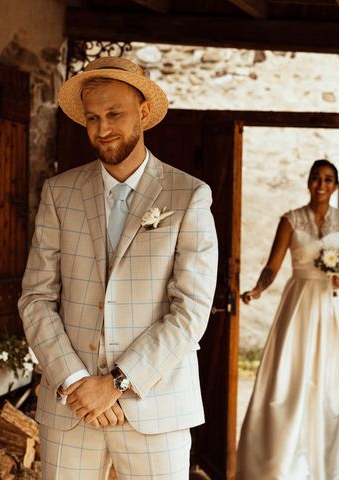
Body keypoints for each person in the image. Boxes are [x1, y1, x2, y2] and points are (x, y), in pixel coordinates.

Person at [18, 57, 218, 479]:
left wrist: (116, 384)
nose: (102, 128)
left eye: (114, 114)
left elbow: (190, 313)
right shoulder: (59, 193)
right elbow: (36, 299)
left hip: (154, 406)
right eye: (92, 118)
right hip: (71, 409)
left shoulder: (189, 196)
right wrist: (74, 380)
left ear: (143, 113)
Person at [236, 160, 339, 480]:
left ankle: (331, 465)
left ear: (335, 186)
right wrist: (259, 288)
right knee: (291, 378)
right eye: (316, 179)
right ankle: (281, 464)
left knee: (331, 381)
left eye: (328, 180)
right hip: (300, 305)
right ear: (308, 183)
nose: (321, 185)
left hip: (335, 308)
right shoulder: (290, 220)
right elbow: (273, 265)